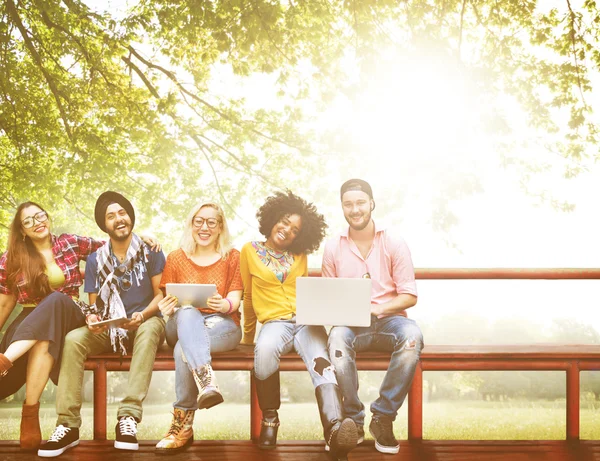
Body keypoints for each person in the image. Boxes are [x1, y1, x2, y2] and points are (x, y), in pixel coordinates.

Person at [38, 191, 166, 458]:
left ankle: (128, 417)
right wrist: (94, 320)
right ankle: (68, 425)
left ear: (130, 217)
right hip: (111, 330)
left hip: (143, 325)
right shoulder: (96, 259)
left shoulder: (150, 250)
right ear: (104, 225)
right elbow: (95, 306)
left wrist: (142, 315)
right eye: (111, 216)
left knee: (153, 326)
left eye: (122, 213)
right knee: (74, 338)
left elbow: (161, 295)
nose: (119, 219)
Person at [241, 190, 357, 461]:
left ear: (300, 236)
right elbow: (247, 296)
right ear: (272, 219)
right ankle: (270, 419)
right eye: (284, 221)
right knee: (265, 350)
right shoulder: (249, 251)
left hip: (306, 322)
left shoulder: (300, 255)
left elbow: (306, 292)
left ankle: (335, 430)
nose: (287, 231)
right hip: (274, 322)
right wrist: (247, 337)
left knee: (322, 364)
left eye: (295, 230)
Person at [324, 179, 423, 455]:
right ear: (342, 207)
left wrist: (378, 309)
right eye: (348, 204)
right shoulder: (333, 247)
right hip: (352, 325)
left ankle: (383, 417)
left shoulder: (393, 242)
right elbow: (328, 297)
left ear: (371, 204)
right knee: (337, 338)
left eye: (360, 203)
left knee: (413, 336)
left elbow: (409, 296)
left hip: (391, 321)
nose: (355, 209)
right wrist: (342, 311)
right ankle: (353, 420)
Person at [0, 202, 105, 451]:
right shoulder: (11, 259)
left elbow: (111, 246)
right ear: (22, 231)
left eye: (40, 215)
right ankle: (30, 413)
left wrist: (143, 237)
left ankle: (4, 360)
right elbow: (4, 305)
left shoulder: (69, 242)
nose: (37, 222)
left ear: (48, 217)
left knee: (56, 299)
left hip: (70, 313)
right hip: (30, 321)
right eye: (28, 221)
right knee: (45, 336)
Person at [154, 201, 243, 454]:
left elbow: (234, 300)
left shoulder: (232, 257)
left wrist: (223, 304)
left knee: (186, 345)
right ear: (191, 225)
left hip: (221, 326)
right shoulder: (176, 257)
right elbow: (165, 299)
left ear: (220, 226)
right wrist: (167, 307)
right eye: (199, 221)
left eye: (211, 222)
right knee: (188, 311)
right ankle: (207, 382)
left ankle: (182, 425)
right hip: (179, 324)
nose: (204, 227)